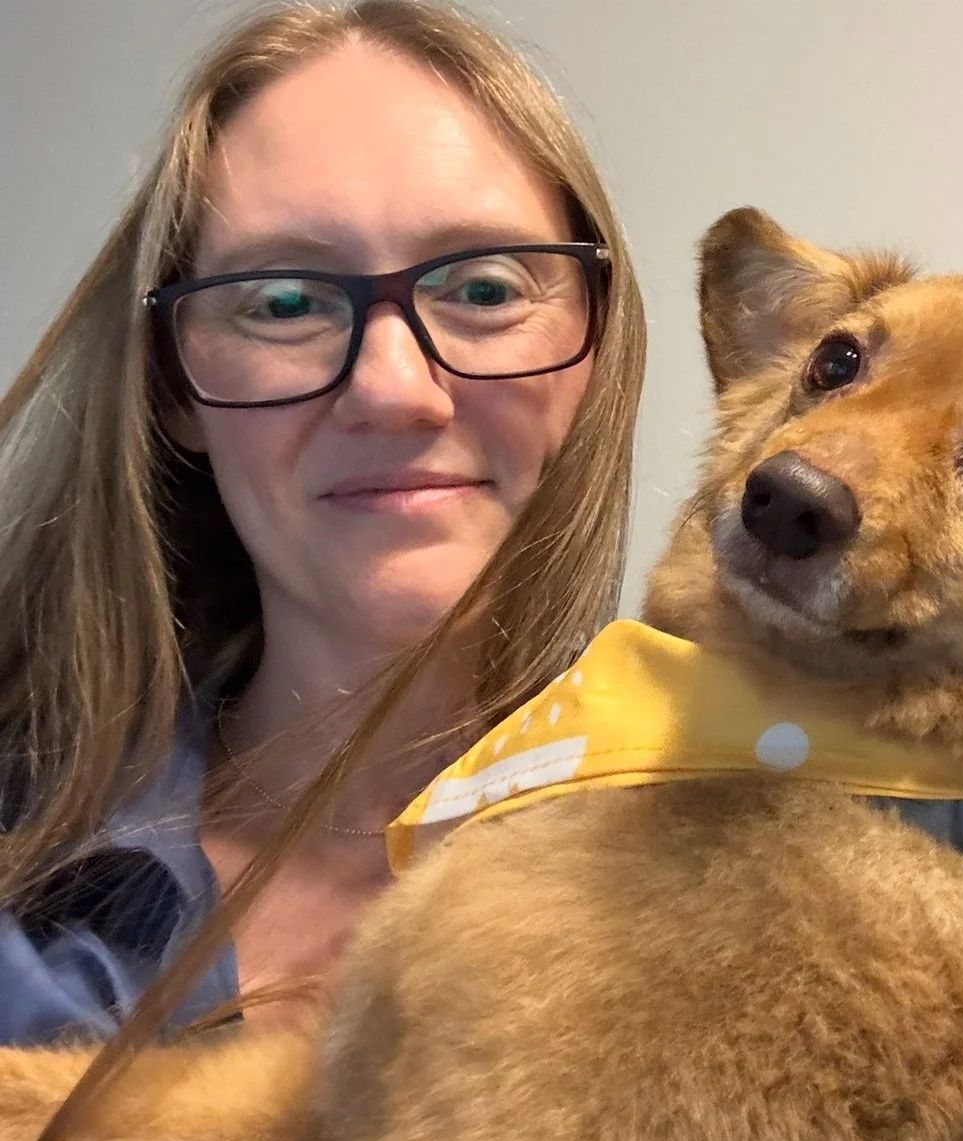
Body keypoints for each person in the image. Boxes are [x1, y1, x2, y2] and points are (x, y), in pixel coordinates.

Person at [0, 0, 646, 1045]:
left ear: (591, 351)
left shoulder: (726, 880)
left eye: (484, 287)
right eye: (285, 302)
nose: (396, 390)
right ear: (175, 385)